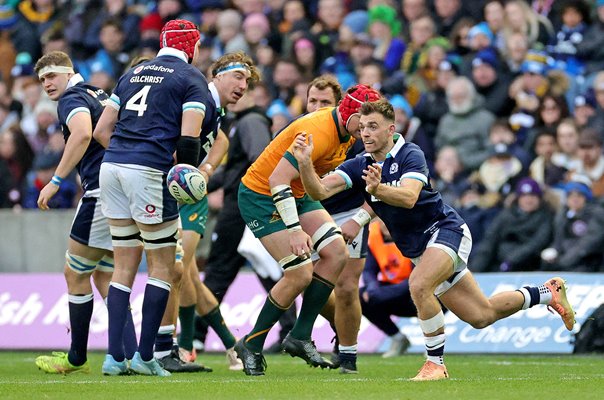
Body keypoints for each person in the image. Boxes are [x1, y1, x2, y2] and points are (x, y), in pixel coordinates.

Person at [292, 98, 575, 381]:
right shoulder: (360, 164)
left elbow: (409, 196)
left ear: (391, 129)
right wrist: (305, 163)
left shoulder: (410, 153)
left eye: (373, 127)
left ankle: (435, 365)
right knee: (481, 316)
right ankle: (547, 292)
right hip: (420, 249)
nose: (365, 133)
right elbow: (318, 192)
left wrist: (379, 189)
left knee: (419, 284)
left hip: (445, 230)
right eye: (363, 127)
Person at [233, 84, 381, 376]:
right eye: (362, 124)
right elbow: (277, 180)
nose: (365, 131)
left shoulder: (347, 132)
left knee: (336, 252)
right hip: (262, 196)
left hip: (298, 193)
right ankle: (250, 344)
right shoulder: (319, 131)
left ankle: (300, 335)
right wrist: (294, 229)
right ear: (350, 114)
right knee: (299, 272)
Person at [92, 19, 206, 377]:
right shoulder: (190, 78)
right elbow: (188, 142)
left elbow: (101, 130)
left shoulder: (132, 74)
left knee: (123, 264)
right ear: (192, 46)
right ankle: (145, 356)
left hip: (111, 168)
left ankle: (114, 358)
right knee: (161, 265)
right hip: (148, 172)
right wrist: (180, 179)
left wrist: (127, 153)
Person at [32, 51, 137, 374]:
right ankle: (131, 355)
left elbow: (81, 133)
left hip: (101, 193)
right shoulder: (96, 93)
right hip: (126, 189)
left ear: (68, 73)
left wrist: (56, 180)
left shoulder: (73, 98)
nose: (47, 83)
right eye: (42, 79)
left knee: (75, 273)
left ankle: (77, 356)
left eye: (52, 75)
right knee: (105, 276)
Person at [166, 51, 260, 372]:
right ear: (217, 74)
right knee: (187, 274)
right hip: (172, 193)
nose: (243, 86)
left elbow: (220, 141)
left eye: (247, 81)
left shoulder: (212, 108)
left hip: (189, 198)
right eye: (238, 77)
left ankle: (181, 347)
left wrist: (203, 172)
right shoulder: (198, 98)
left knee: (178, 270)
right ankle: (230, 347)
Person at [360, 220, 414, 358]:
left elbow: (420, 275)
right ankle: (398, 338)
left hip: (417, 288)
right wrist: (372, 290)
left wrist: (381, 294)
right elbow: (368, 271)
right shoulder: (372, 234)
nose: (386, 223)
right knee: (361, 297)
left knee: (426, 293)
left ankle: (433, 343)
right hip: (392, 289)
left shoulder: (413, 232)